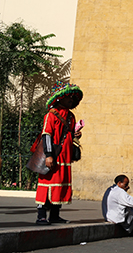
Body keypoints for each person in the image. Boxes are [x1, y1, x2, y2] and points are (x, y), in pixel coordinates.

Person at [35, 81, 83, 225]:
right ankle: (41, 216)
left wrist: (76, 135)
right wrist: (49, 155)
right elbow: (46, 135)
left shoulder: (71, 116)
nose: (71, 100)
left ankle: (55, 215)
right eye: (68, 97)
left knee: (60, 185)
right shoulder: (51, 115)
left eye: (72, 97)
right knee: (47, 185)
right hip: (53, 156)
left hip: (65, 157)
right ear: (60, 98)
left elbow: (69, 135)